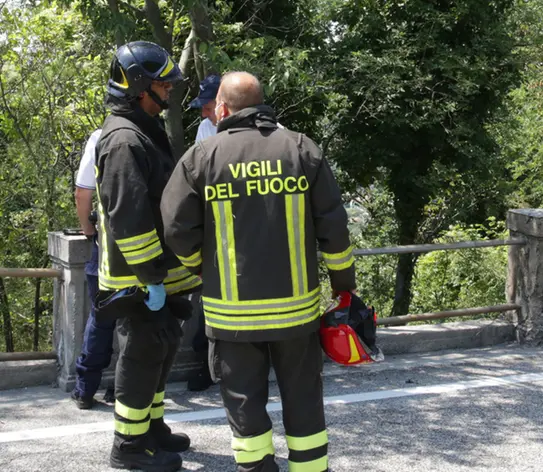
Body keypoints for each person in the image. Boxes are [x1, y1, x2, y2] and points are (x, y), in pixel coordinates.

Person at [161, 71, 354, 472]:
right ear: (263, 103)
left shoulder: (201, 157)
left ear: (222, 108)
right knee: (303, 399)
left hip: (232, 315)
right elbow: (333, 228)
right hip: (296, 313)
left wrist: (203, 269)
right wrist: (343, 287)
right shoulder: (301, 149)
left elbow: (177, 230)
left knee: (245, 403)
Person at [96, 40, 202, 471]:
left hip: (158, 276)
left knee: (160, 351)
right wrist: (150, 277)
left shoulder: (141, 128)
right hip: (139, 279)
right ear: (141, 87)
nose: (171, 90)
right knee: (140, 359)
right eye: (164, 84)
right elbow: (129, 217)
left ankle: (151, 428)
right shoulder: (124, 140)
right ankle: (128, 446)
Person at [71, 128, 117, 409]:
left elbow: (82, 192)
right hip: (147, 240)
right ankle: (124, 387)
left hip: (107, 244)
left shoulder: (100, 137)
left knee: (101, 316)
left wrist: (88, 230)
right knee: (136, 320)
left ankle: (86, 389)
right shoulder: (151, 133)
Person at [185, 74, 221, 392]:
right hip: (216, 226)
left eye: (208, 107)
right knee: (208, 300)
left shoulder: (267, 131)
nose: (203, 114)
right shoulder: (206, 128)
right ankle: (204, 364)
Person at [190, 74, 221, 143]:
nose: (203, 115)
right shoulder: (205, 126)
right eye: (202, 108)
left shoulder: (243, 127)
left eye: (208, 109)